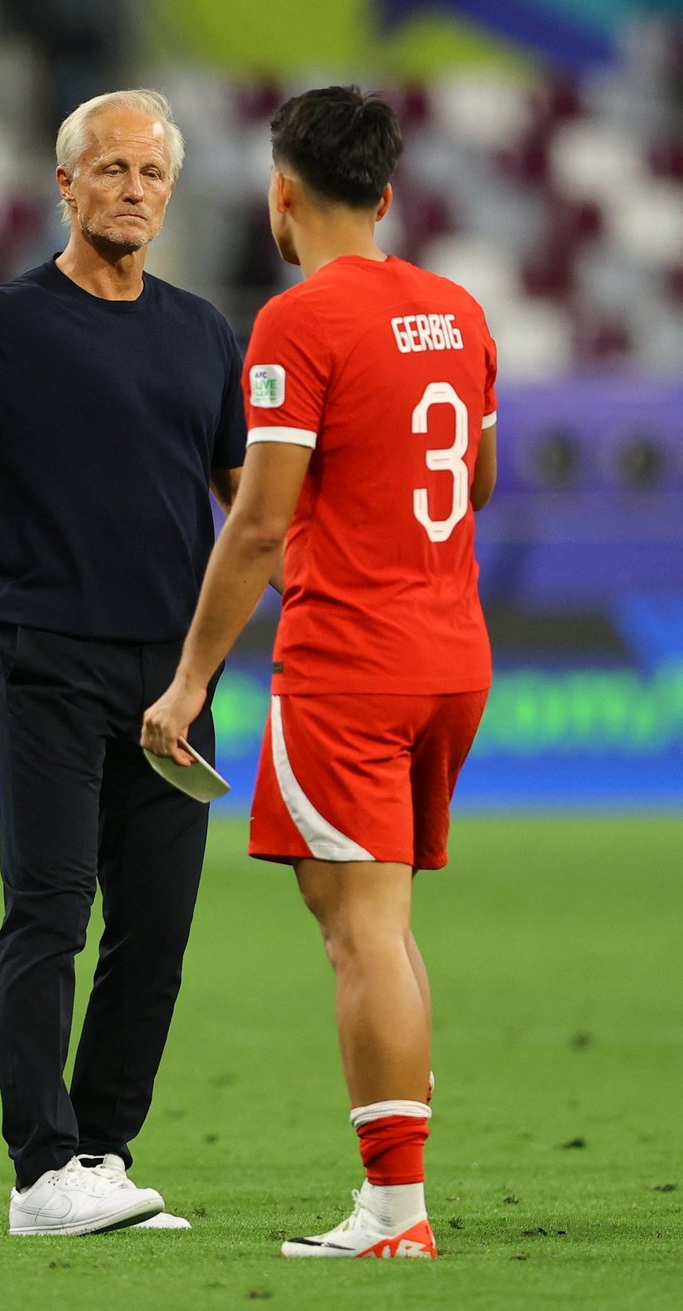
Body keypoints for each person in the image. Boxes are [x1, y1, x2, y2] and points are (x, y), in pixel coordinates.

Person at [0, 88, 246, 1237]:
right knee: (50, 911)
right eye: (111, 169)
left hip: (175, 677)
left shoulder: (200, 331)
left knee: (154, 933)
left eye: (152, 173)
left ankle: (104, 1158)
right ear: (64, 184)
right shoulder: (4, 322)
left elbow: (246, 502)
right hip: (47, 657)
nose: (133, 190)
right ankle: (40, 1172)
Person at [142, 85, 497, 1259]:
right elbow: (477, 480)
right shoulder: (458, 309)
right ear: (386, 196)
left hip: (351, 662)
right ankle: (401, 1189)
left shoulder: (296, 323)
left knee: (360, 930)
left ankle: (394, 1211)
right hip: (452, 654)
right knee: (374, 918)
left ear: (280, 194)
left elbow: (256, 525)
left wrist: (190, 681)